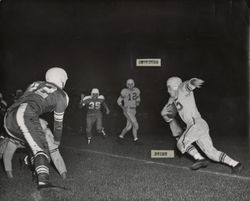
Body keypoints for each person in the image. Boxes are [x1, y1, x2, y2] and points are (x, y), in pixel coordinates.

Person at [4, 67, 69, 190]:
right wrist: (57, 140)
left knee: (35, 143)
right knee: (42, 147)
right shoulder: (62, 95)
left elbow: (27, 99)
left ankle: (29, 160)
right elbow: (58, 123)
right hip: (25, 115)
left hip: (9, 118)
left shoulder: (36, 84)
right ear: (62, 79)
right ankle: (43, 182)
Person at [165, 76, 242, 174]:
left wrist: (193, 82)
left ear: (174, 86)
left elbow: (187, 85)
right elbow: (174, 101)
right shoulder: (176, 96)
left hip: (195, 123)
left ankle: (199, 159)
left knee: (181, 143)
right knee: (211, 153)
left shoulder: (181, 89)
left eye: (169, 87)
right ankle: (236, 164)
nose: (168, 90)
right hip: (200, 124)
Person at [1, 119, 67, 180]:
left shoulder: (46, 135)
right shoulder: (17, 134)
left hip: (38, 139)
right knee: (3, 149)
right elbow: (7, 155)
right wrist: (9, 175)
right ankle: (27, 160)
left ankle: (27, 160)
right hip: (20, 138)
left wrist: (64, 175)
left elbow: (55, 154)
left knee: (42, 157)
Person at [161, 100, 209, 170]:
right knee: (180, 140)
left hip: (191, 117)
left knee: (183, 140)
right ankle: (199, 156)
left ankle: (200, 157)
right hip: (184, 116)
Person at [117, 79, 141, 144]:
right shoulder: (124, 91)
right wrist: (123, 107)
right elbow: (119, 101)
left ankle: (121, 137)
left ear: (134, 84)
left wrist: (138, 102)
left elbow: (138, 98)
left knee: (128, 127)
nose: (130, 85)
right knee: (136, 125)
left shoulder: (137, 90)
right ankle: (136, 139)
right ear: (127, 85)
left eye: (131, 84)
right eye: (129, 84)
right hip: (127, 110)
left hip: (134, 110)